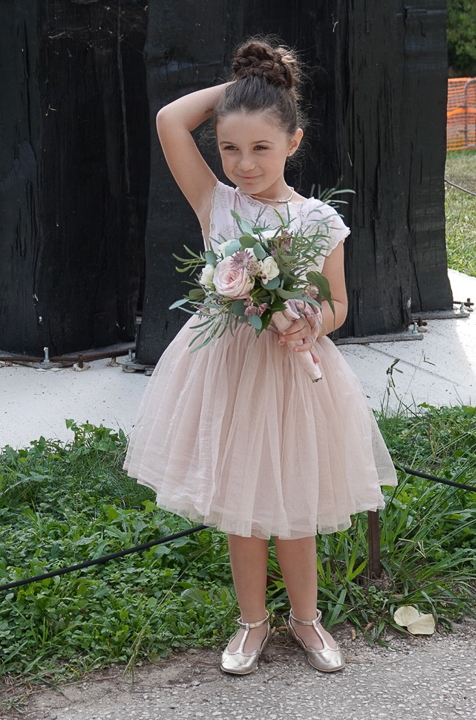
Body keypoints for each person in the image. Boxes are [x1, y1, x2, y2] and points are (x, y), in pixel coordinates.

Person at [123, 37, 397, 676]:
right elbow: (169, 120)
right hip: (228, 372)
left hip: (293, 375)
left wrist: (313, 325)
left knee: (294, 498)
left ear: (293, 143)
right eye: (229, 148)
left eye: (261, 148)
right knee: (241, 504)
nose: (244, 164)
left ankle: (306, 617)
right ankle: (253, 621)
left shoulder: (319, 220)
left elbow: (338, 304)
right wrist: (249, 86)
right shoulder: (215, 202)